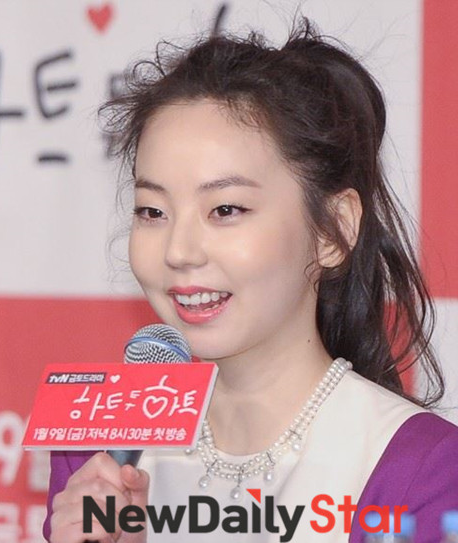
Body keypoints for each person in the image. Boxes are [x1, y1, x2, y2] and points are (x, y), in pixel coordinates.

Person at [43, 18, 458, 543]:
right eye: (152, 211)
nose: (178, 252)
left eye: (226, 209)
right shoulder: (98, 454)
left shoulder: (420, 471)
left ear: (333, 230)